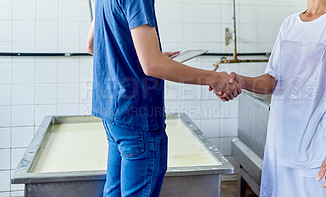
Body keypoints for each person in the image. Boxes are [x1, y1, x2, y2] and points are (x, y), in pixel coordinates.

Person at [86, 0, 241, 196]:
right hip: (137, 115)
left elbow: (92, 45)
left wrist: (144, 55)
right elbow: (152, 65)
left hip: (112, 112)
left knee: (114, 192)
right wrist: (214, 78)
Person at [213, 0, 326, 196]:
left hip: (319, 153)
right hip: (281, 148)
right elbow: (272, 81)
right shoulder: (289, 24)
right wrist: (240, 81)